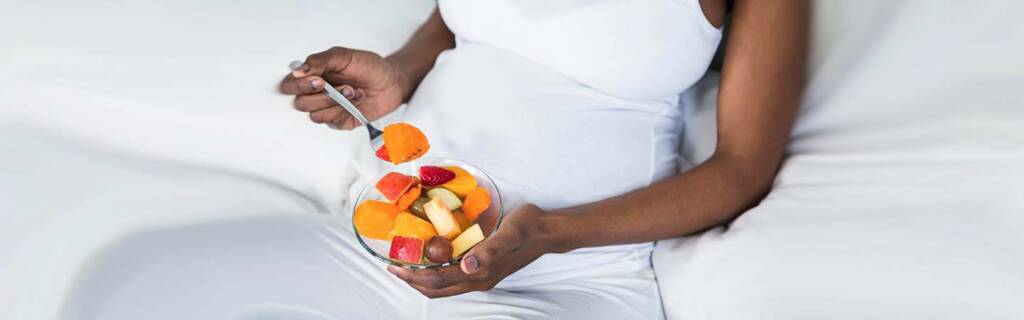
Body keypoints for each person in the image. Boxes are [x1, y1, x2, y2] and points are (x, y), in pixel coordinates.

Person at [64, 0, 807, 319]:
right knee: (131, 284)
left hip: (561, 284)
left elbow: (741, 169)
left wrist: (550, 232)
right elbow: (461, 19)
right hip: (378, 243)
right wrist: (402, 69)